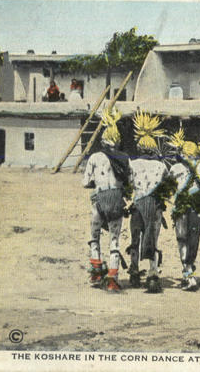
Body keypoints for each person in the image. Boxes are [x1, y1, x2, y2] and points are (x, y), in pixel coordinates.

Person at [82, 108, 130, 292]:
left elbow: (85, 182)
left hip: (99, 199)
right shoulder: (124, 157)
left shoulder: (94, 157)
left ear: (103, 139)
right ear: (117, 140)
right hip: (117, 198)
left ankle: (95, 272)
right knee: (114, 240)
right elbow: (129, 181)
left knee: (94, 236)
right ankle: (112, 278)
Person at [168, 128, 200, 291]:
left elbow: (170, 189)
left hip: (183, 204)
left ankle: (187, 272)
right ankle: (190, 267)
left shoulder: (176, 168)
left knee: (182, 238)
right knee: (194, 237)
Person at [127, 111, 171, 293]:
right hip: (155, 208)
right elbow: (168, 188)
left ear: (139, 148)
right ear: (153, 149)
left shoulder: (133, 164)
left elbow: (129, 184)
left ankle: (134, 271)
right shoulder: (161, 166)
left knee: (135, 239)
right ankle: (153, 274)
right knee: (153, 239)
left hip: (137, 205)